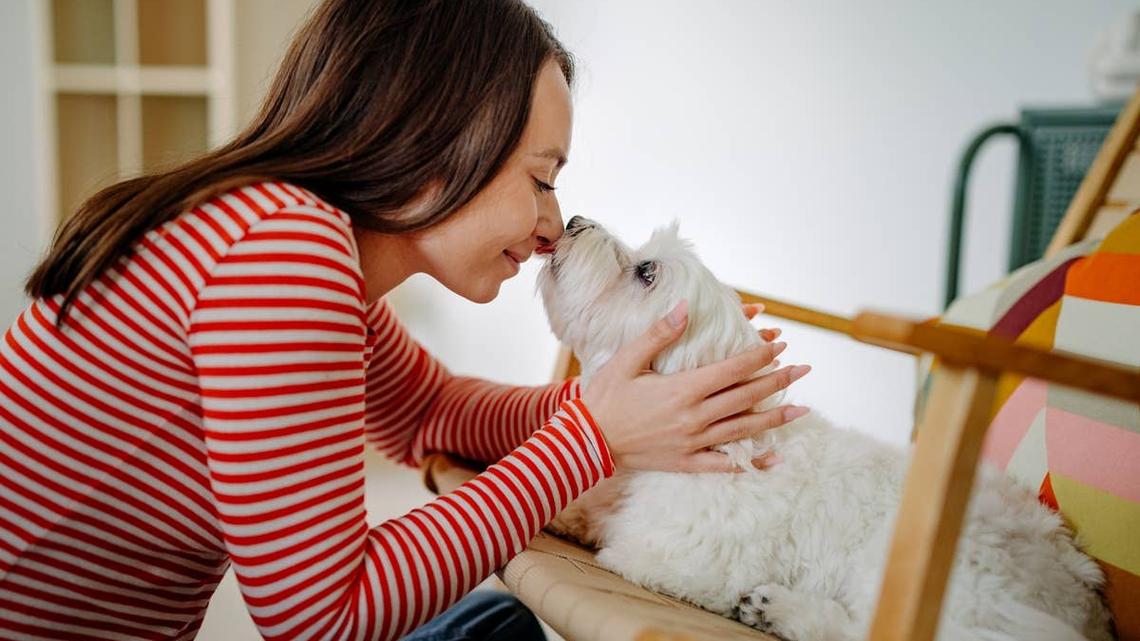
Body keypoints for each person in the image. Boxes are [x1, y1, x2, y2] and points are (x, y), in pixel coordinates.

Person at [0, 1, 810, 639]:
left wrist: (635, 411)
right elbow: (322, 619)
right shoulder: (282, 251)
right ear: (437, 140)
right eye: (540, 177)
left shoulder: (289, 238)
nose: (553, 223)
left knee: (492, 624)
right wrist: (593, 440)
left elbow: (431, 413)